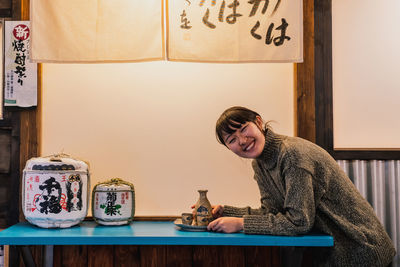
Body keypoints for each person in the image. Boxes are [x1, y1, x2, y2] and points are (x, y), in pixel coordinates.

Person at [207, 106, 396, 266]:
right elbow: (271, 212)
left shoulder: (292, 155)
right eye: (231, 139)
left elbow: (298, 222)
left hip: (360, 250)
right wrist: (226, 211)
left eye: (243, 129)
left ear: (258, 122)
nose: (241, 140)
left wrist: (241, 224)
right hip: (335, 253)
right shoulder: (260, 163)